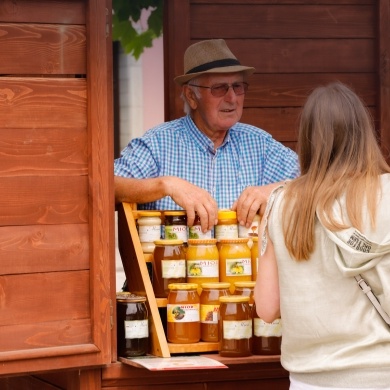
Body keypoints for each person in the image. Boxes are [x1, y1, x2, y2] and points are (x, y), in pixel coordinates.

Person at [254, 82, 390, 389]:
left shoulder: (280, 202)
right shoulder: (387, 193)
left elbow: (266, 307)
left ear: (307, 138)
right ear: (363, 133)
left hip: (309, 379)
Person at [114, 39, 299, 232]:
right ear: (192, 96)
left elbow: (320, 181)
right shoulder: (158, 144)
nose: (232, 98)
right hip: (172, 262)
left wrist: (276, 190)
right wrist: (167, 185)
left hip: (250, 262)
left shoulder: (259, 144)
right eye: (219, 88)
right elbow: (107, 185)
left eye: (238, 86)